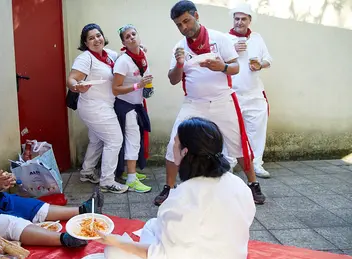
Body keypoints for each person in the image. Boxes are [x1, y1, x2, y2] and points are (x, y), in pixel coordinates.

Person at [99, 117, 256, 259]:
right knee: (152, 225)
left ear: (185, 152)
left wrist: (118, 242)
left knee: (113, 252)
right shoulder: (239, 185)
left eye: (175, 143)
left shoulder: (181, 198)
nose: (173, 146)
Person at [0, 111, 104, 247]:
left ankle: (83, 210)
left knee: (29, 205)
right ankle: (64, 240)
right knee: (9, 222)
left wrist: (4, 183)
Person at [154, 0, 266, 206]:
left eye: (186, 21)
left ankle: (253, 184)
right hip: (194, 103)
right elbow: (173, 79)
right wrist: (179, 65)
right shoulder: (179, 47)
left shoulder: (219, 38)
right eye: (179, 24)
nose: (184, 27)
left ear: (196, 16)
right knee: (174, 143)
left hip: (223, 100)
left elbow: (235, 67)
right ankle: (169, 187)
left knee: (238, 143)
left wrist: (221, 66)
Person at [66, 23, 128, 194]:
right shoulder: (86, 58)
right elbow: (71, 79)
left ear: (103, 36)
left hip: (104, 105)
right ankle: (107, 181)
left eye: (98, 35)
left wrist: (137, 48)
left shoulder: (110, 55)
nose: (96, 40)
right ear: (85, 43)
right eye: (91, 38)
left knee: (97, 140)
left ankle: (87, 172)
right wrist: (77, 86)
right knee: (115, 140)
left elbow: (125, 57)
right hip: (94, 107)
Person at [227, 3, 273, 178]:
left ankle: (256, 164)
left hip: (255, 93)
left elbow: (268, 59)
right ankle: (229, 163)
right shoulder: (225, 39)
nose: (239, 22)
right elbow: (217, 63)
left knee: (257, 130)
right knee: (231, 130)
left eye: (243, 19)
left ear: (249, 20)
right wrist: (233, 51)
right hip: (232, 93)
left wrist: (260, 65)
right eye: (236, 18)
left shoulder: (257, 38)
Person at [112, 24, 153, 193]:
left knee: (136, 139)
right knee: (133, 140)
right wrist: (138, 86)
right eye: (127, 37)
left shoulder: (141, 55)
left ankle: (132, 172)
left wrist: (147, 88)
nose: (131, 38)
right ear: (124, 42)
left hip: (137, 104)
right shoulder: (123, 62)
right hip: (125, 106)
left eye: (133, 34)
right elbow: (115, 89)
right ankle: (130, 178)